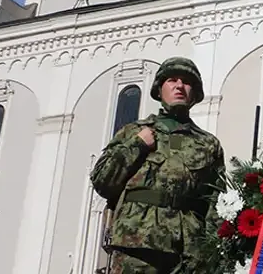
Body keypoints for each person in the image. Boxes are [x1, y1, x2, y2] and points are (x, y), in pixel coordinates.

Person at [91, 57, 225, 273]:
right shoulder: (133, 132)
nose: (179, 86)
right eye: (172, 80)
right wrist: (137, 145)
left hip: (188, 251)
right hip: (137, 244)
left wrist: (214, 254)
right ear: (159, 89)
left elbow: (215, 202)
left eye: (186, 82)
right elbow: (102, 181)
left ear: (195, 93)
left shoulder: (208, 144)